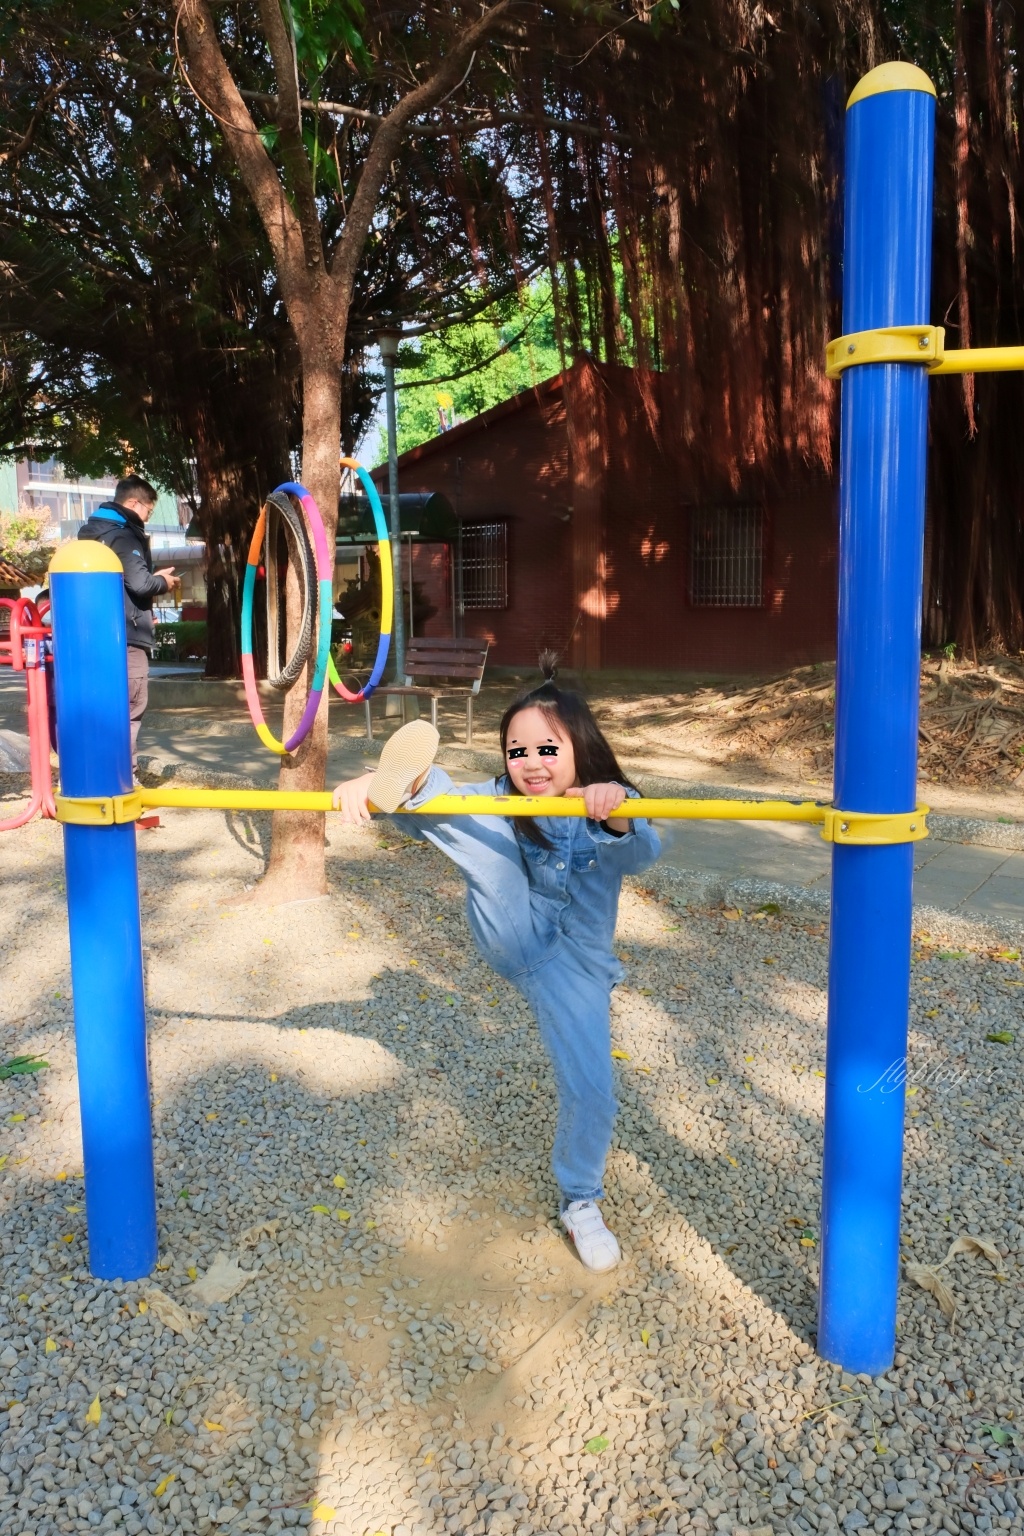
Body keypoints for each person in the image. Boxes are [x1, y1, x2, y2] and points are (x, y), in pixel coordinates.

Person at [333, 658, 661, 1272]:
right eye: (517, 750)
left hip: (578, 968)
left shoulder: (609, 796)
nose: (530, 763)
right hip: (515, 933)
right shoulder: (503, 794)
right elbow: (447, 818)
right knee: (467, 818)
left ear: (582, 749)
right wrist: (372, 786)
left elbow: (643, 851)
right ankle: (411, 781)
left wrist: (613, 806)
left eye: (547, 748)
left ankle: (580, 1201)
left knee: (594, 1092)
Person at [78, 475, 178, 776]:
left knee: (102, 708)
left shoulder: (92, 534)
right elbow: (140, 583)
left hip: (95, 637)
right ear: (134, 503)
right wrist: (163, 581)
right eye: (149, 510)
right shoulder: (123, 535)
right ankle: (123, 776)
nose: (148, 517)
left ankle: (96, 772)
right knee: (131, 708)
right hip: (127, 639)